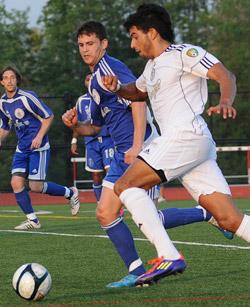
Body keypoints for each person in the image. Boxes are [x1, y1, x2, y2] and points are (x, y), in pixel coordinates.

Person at [62, 21, 233, 288]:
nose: (85, 49)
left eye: (91, 43)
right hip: (122, 153)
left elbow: (138, 100)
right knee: (107, 213)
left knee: (149, 215)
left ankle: (202, 219)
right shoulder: (95, 81)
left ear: (103, 44)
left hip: (142, 147)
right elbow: (94, 127)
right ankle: (138, 272)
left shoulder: (111, 67)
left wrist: (136, 145)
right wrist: (74, 125)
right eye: (81, 45)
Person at [102, 3, 250, 285]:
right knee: (229, 219)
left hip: (185, 136)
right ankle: (169, 253)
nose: (132, 44)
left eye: (135, 36)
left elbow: (225, 75)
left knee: (125, 186)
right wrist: (118, 89)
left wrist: (225, 102)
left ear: (152, 33)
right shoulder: (151, 67)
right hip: (192, 146)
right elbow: (138, 92)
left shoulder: (184, 53)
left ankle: (168, 254)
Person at [0, 66, 80, 230]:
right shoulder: (2, 103)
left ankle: (71, 193)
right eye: (6, 78)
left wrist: (38, 137)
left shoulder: (27, 97)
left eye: (12, 77)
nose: (9, 80)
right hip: (22, 148)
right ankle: (33, 220)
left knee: (35, 186)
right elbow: (5, 126)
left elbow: (48, 116)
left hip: (39, 147)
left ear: (17, 80)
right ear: (1, 82)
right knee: (16, 183)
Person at [71, 74, 114, 203]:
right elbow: (76, 123)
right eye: (87, 79)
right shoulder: (81, 100)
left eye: (92, 79)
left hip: (107, 140)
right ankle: (100, 203)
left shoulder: (105, 96)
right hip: (91, 142)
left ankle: (114, 204)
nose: (89, 81)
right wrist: (74, 141)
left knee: (111, 172)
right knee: (96, 176)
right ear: (85, 83)